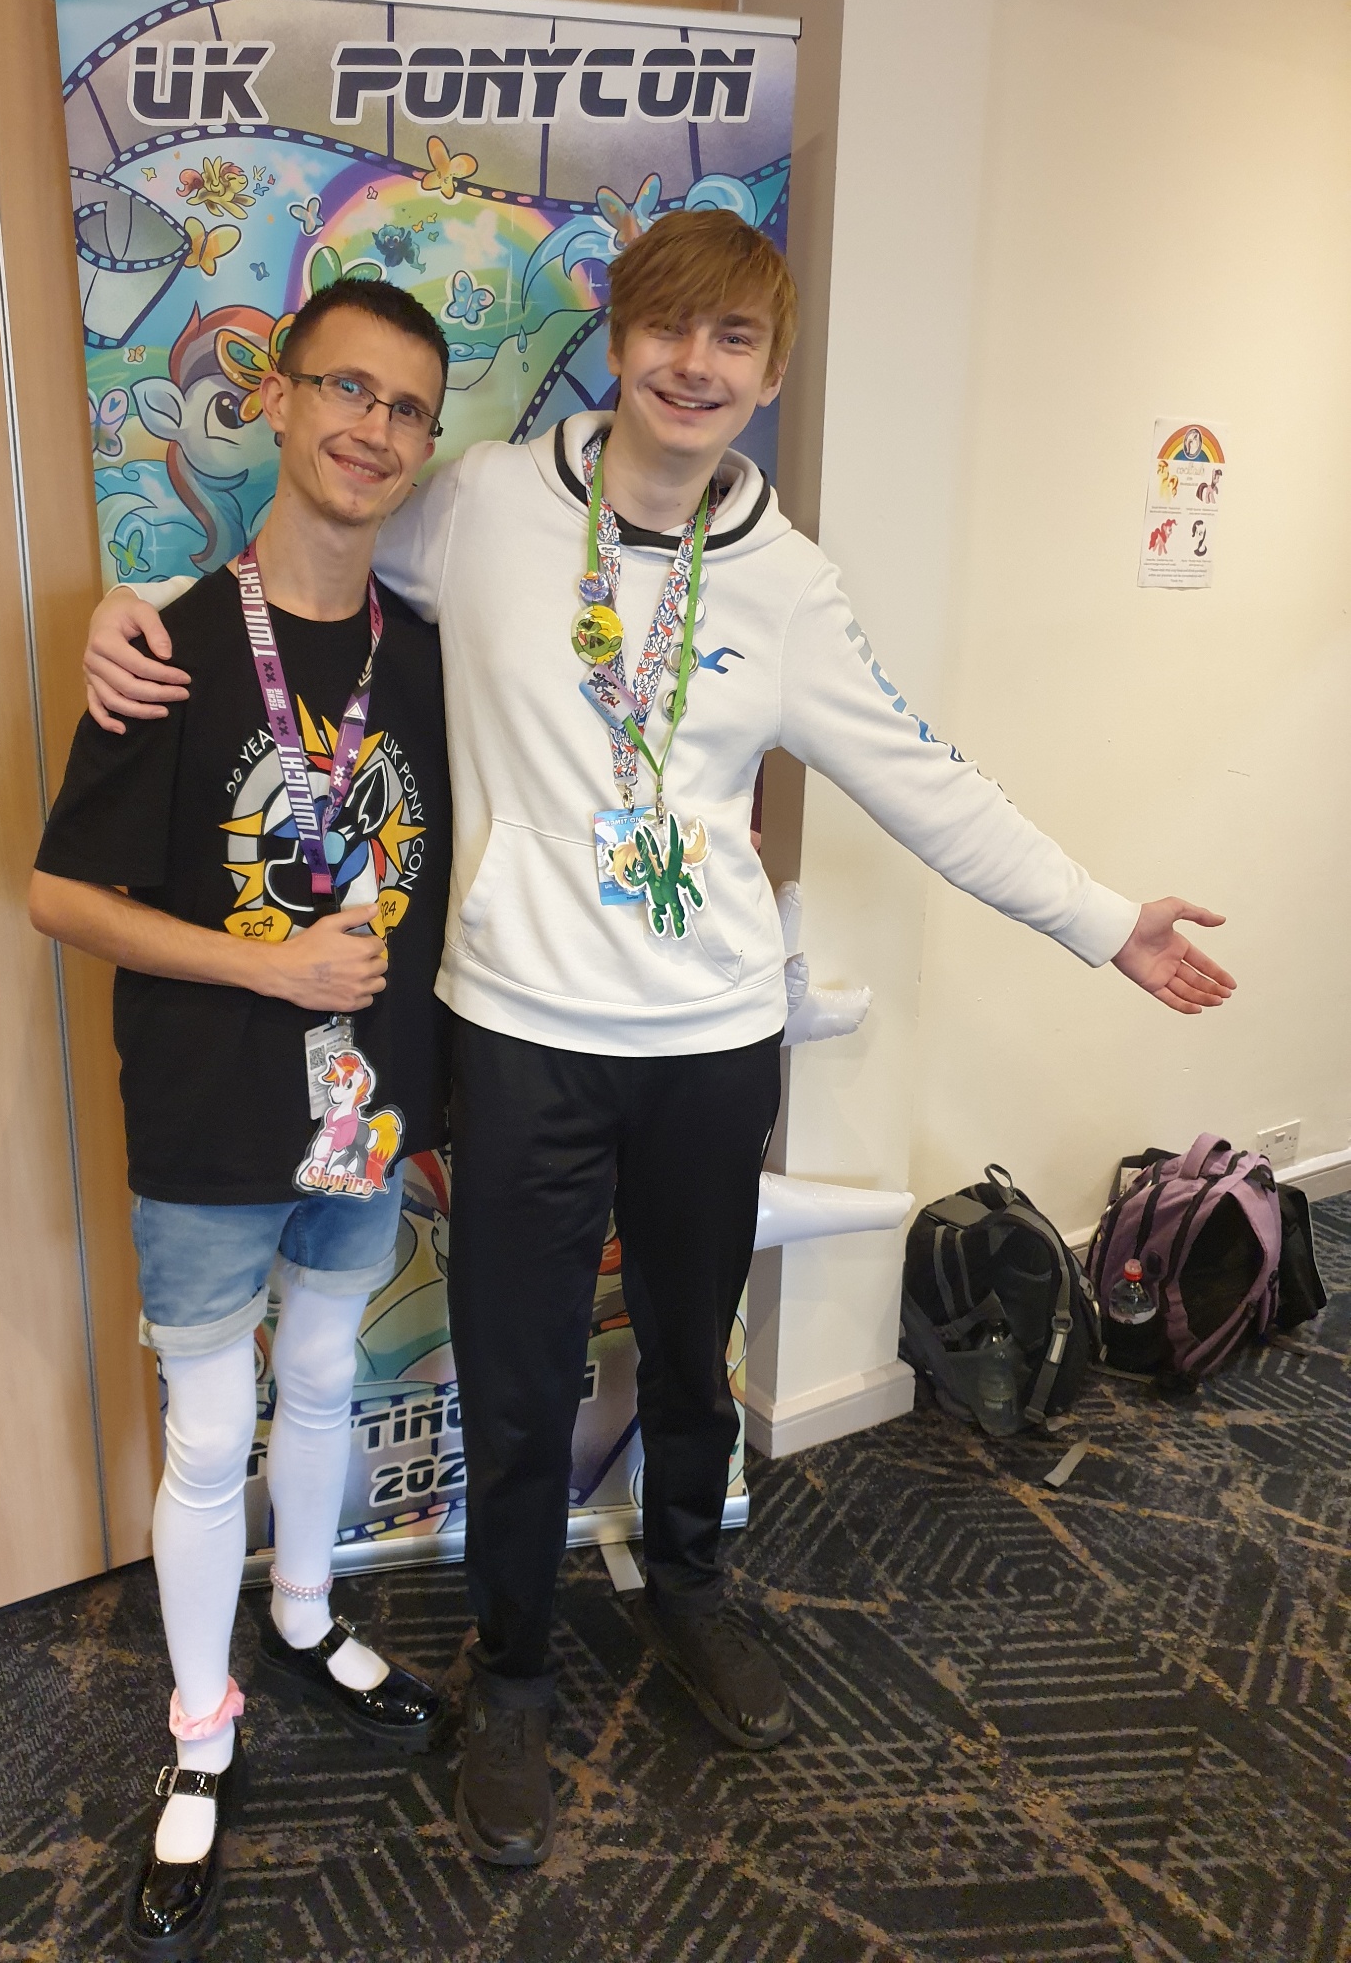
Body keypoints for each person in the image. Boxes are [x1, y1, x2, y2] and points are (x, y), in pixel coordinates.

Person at [83, 209, 1236, 1871]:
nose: (697, 367)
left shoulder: (791, 583)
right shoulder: (485, 506)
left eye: (735, 343)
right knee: (519, 1378)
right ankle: (513, 1671)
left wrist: (1102, 917)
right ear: (620, 341)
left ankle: (690, 1586)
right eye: (669, 331)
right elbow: (306, 565)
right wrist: (126, 604)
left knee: (693, 1353)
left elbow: (927, 782)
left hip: (710, 1041)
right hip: (519, 1038)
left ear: (769, 375)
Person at [31, 279, 455, 1957]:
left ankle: (303, 1612)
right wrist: (266, 969)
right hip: (211, 1113)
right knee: (213, 1438)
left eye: (407, 408)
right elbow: (61, 895)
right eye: (346, 388)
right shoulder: (170, 644)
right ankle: (200, 1731)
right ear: (276, 399)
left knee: (332, 1374)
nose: (373, 428)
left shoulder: (427, 656)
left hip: (364, 1115)